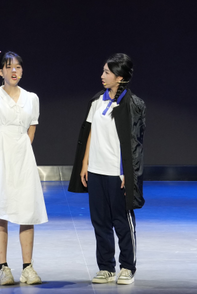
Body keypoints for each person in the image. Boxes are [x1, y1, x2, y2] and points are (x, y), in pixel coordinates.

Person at [68, 53, 146, 285]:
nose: (102, 76)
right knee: (100, 221)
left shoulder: (133, 104)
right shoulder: (96, 101)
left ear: (120, 77)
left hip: (117, 173)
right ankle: (106, 267)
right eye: (103, 71)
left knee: (122, 221)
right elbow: (90, 133)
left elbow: (134, 143)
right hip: (96, 170)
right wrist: (85, 164)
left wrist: (127, 173)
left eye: (107, 72)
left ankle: (127, 267)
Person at [0, 38, 47, 286]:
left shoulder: (32, 97)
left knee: (26, 210)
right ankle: (3, 268)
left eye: (17, 67)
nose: (14, 71)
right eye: (9, 67)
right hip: (1, 154)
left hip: (23, 156)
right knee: (1, 211)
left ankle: (28, 268)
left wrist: (24, 150)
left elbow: (32, 127)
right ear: (1, 72)